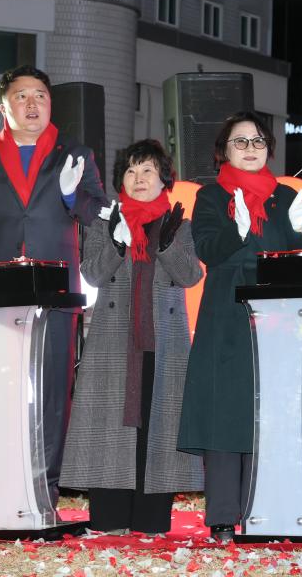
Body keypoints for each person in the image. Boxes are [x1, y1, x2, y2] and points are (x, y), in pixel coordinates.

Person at [0, 64, 105, 506]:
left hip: (54, 288)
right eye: (22, 96)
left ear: (50, 104)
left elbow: (99, 213)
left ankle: (44, 490)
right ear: (4, 105)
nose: (32, 104)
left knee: (52, 388)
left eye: (40, 96)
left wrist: (74, 197)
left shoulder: (76, 155)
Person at [177, 111, 302, 542]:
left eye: (258, 142)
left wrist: (300, 228)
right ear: (224, 150)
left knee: (271, 412)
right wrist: (239, 231)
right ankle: (224, 515)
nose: (250, 149)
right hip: (227, 313)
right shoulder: (209, 196)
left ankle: (269, 506)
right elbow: (207, 249)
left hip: (277, 316)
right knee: (227, 411)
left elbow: (298, 254)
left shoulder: (283, 196)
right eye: (240, 142)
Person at [59, 139, 203, 535]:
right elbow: (92, 274)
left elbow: (190, 276)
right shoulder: (103, 222)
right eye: (131, 171)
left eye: (148, 171)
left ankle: (150, 517)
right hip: (113, 343)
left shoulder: (179, 224)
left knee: (156, 429)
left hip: (164, 343)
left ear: (163, 179)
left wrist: (169, 245)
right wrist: (119, 243)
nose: (139, 179)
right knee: (110, 430)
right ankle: (110, 517)